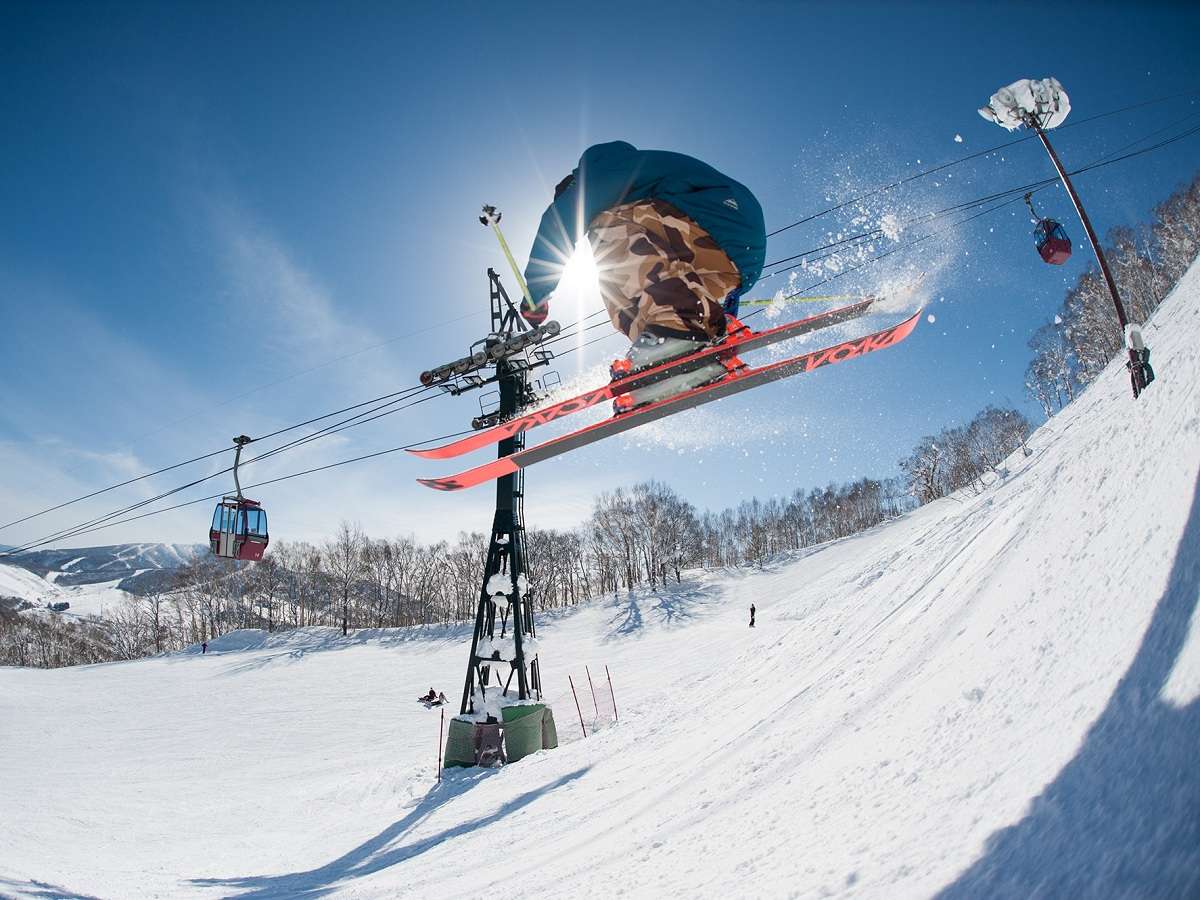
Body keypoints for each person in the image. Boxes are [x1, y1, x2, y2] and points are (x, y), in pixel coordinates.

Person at [523, 141, 766, 404]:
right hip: (731, 253)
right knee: (632, 291)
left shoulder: (600, 173)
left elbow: (558, 221)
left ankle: (674, 333)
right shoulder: (640, 177)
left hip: (718, 217)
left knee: (606, 232)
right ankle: (674, 348)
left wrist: (536, 295)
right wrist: (725, 322)